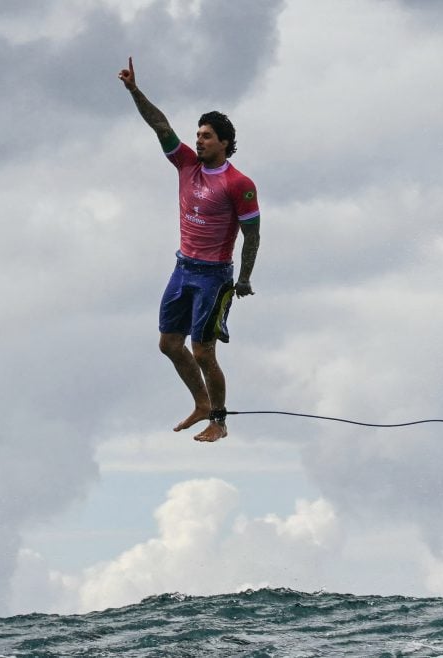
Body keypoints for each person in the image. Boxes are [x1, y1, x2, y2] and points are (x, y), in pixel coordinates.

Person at [118, 57, 261, 443]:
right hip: (183, 268)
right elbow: (160, 125)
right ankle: (200, 403)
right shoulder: (186, 164)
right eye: (198, 134)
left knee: (202, 351)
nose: (198, 140)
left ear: (225, 143)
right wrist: (134, 90)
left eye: (207, 136)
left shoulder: (239, 183)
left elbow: (253, 234)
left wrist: (244, 278)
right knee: (168, 344)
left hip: (214, 276)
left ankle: (219, 420)